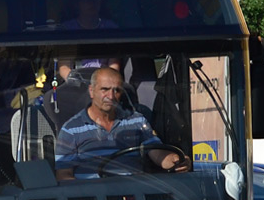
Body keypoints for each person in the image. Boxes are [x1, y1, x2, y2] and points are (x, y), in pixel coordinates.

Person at [55, 67, 189, 180]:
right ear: (91, 91)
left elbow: (157, 153)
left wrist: (176, 160)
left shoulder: (136, 121)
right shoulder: (71, 129)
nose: (111, 96)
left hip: (134, 195)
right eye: (105, 89)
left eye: (116, 90)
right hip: (94, 199)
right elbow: (64, 175)